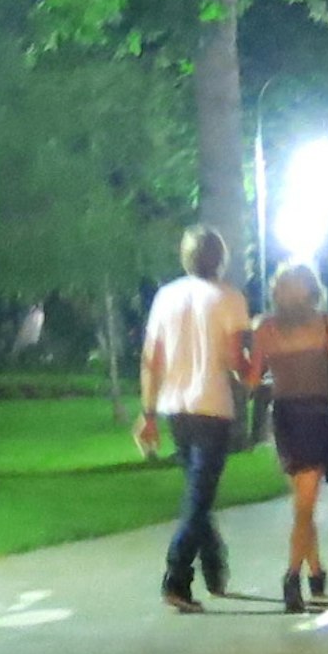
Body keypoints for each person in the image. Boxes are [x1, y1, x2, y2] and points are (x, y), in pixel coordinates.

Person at [133, 225, 252, 613]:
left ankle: (214, 562)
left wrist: (148, 412)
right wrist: (254, 375)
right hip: (212, 405)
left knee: (198, 494)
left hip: (175, 407)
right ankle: (177, 575)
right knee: (199, 496)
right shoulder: (228, 298)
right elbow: (236, 359)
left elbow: (152, 359)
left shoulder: (166, 297)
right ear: (220, 258)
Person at [250, 258, 328, 612]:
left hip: (294, 417)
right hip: (307, 414)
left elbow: (251, 380)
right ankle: (305, 572)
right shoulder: (322, 325)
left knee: (303, 502)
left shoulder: (269, 328)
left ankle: (303, 573)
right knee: (304, 503)